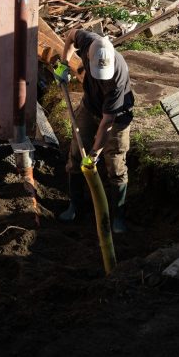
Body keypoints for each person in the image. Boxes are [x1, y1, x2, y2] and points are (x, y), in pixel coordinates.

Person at [58, 29, 134, 233]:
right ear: (88, 56)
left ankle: (118, 215)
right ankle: (75, 205)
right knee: (75, 155)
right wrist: (63, 64)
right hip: (90, 107)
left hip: (116, 117)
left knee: (115, 164)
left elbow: (107, 122)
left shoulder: (117, 77)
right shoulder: (89, 42)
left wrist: (94, 154)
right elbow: (71, 34)